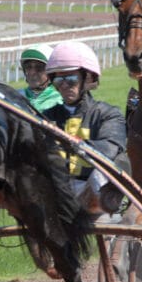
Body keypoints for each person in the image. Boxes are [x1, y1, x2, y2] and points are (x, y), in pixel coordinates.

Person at [43, 40, 128, 215]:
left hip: (95, 193)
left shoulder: (108, 114)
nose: (65, 85)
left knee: (101, 173)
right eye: (59, 80)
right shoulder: (45, 117)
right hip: (58, 191)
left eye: (71, 79)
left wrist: (77, 144)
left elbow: (111, 147)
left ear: (87, 78)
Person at [18, 44, 62, 112]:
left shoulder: (59, 101)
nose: (32, 72)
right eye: (28, 67)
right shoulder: (16, 96)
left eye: (39, 67)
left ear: (51, 73)